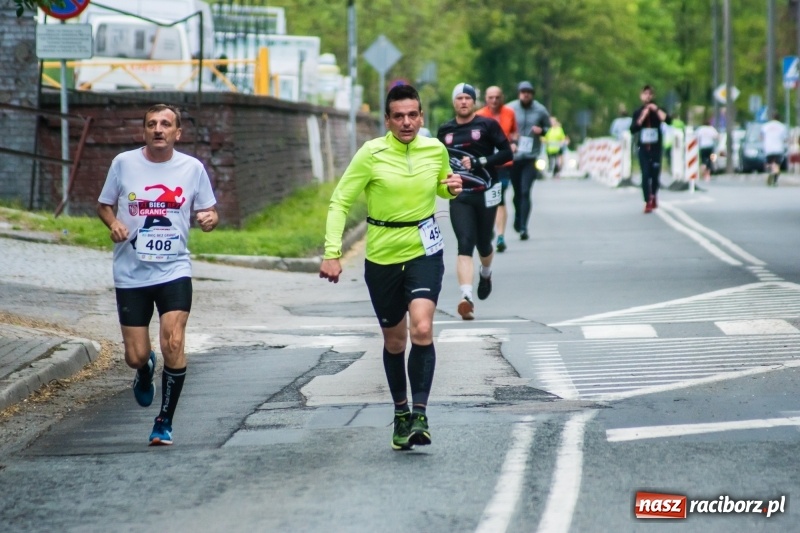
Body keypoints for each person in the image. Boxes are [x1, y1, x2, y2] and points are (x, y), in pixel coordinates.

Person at [319, 84, 463, 451]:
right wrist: (332, 252)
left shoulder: (435, 149)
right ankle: (400, 413)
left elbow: (443, 187)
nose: (406, 122)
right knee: (395, 340)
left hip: (424, 251)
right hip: (382, 256)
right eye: (398, 116)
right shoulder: (371, 154)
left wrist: (452, 187)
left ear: (421, 117)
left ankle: (420, 413)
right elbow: (340, 201)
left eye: (413, 115)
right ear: (387, 120)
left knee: (423, 327)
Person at [97, 103, 218, 446]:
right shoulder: (123, 164)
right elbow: (103, 204)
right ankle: (145, 367)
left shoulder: (192, 168)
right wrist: (114, 222)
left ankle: (164, 420)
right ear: (145, 131)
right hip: (131, 272)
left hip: (174, 269)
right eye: (152, 124)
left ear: (178, 133)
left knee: (174, 341)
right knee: (135, 355)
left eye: (166, 124)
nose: (158, 129)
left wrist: (210, 220)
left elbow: (209, 211)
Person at [437, 83, 512, 321]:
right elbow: (438, 163)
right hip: (460, 195)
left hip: (486, 190)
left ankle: (486, 272)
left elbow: (506, 153)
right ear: (454, 102)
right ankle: (466, 297)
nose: (463, 102)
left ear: (474, 102)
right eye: (459, 98)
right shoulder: (445, 131)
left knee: (484, 243)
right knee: (464, 242)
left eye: (467, 98)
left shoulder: (487, 125)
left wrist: (480, 161)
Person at [506, 81, 551, 240]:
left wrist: (542, 130)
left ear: (532, 94)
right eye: (523, 92)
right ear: (519, 93)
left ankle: (524, 227)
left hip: (531, 157)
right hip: (514, 157)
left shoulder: (540, 110)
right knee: (517, 193)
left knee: (526, 191)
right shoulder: (510, 108)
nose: (526, 94)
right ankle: (518, 217)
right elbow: (502, 128)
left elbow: (548, 127)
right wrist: (510, 138)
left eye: (529, 92)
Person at [476, 85, 518, 253]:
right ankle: (489, 227)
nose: (494, 100)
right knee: (487, 200)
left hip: (503, 165)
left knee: (499, 197)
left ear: (503, 98)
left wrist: (513, 144)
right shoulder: (479, 116)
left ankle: (500, 235)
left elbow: (514, 133)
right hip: (485, 165)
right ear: (486, 98)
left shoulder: (509, 113)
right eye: (491, 97)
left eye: (497, 97)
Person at [630, 85, 671, 213]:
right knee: (645, 174)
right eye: (645, 94)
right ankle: (647, 200)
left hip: (656, 148)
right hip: (643, 148)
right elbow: (633, 128)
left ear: (653, 96)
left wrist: (655, 109)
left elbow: (668, 120)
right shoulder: (638, 111)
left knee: (654, 174)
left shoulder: (658, 111)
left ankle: (653, 195)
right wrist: (643, 115)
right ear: (641, 96)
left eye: (649, 94)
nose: (647, 96)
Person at [761, 113, 789, 186]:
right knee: (776, 165)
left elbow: (761, 137)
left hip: (768, 148)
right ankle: (774, 178)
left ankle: (770, 172)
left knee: (769, 164)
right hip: (778, 148)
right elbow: (785, 138)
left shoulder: (766, 126)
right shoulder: (782, 127)